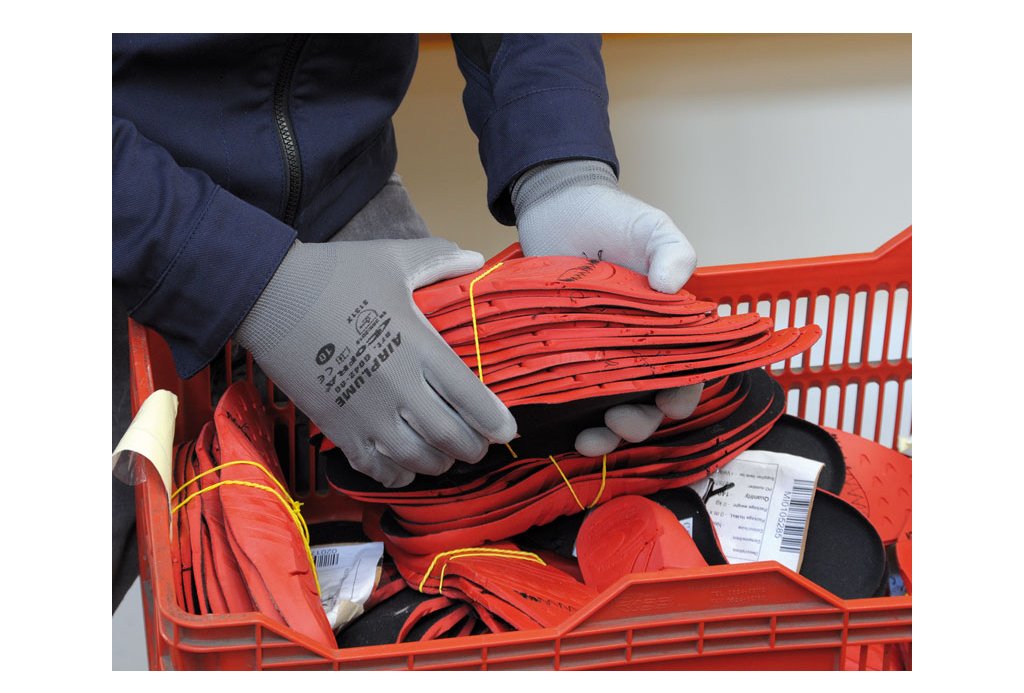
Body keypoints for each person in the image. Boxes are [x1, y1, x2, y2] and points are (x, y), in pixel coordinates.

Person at [112, 33, 701, 611]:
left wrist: (560, 169)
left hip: (342, 193)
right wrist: (249, 280)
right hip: (122, 219)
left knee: (460, 500)